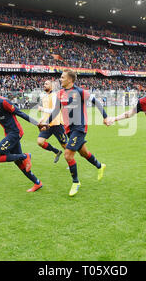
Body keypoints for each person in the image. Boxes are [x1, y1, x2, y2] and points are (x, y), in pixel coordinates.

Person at [41, 69, 108, 197]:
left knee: (68, 155)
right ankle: (100, 166)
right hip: (69, 129)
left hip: (80, 127)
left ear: (70, 80)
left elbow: (97, 102)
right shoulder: (60, 93)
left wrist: (105, 117)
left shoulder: (80, 92)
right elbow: (56, 111)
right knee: (83, 153)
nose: (60, 79)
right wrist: (47, 123)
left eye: (62, 77)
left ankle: (76, 182)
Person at [37, 80, 67, 163]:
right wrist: (42, 118)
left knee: (65, 145)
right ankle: (56, 151)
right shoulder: (44, 97)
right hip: (47, 124)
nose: (44, 85)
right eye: (44, 83)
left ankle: (71, 162)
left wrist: (42, 109)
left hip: (57, 124)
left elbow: (54, 110)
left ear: (52, 86)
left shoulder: (54, 96)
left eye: (46, 84)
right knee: (40, 142)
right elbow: (46, 112)